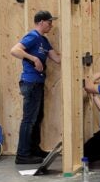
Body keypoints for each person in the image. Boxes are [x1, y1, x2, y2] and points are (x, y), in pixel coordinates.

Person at [10, 10, 61, 164]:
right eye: (49, 22)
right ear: (41, 22)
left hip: (38, 83)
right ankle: (22, 155)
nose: (51, 25)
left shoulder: (44, 41)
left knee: (38, 118)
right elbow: (14, 50)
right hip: (30, 82)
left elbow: (57, 59)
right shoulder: (33, 36)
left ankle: (34, 150)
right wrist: (34, 59)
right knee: (29, 119)